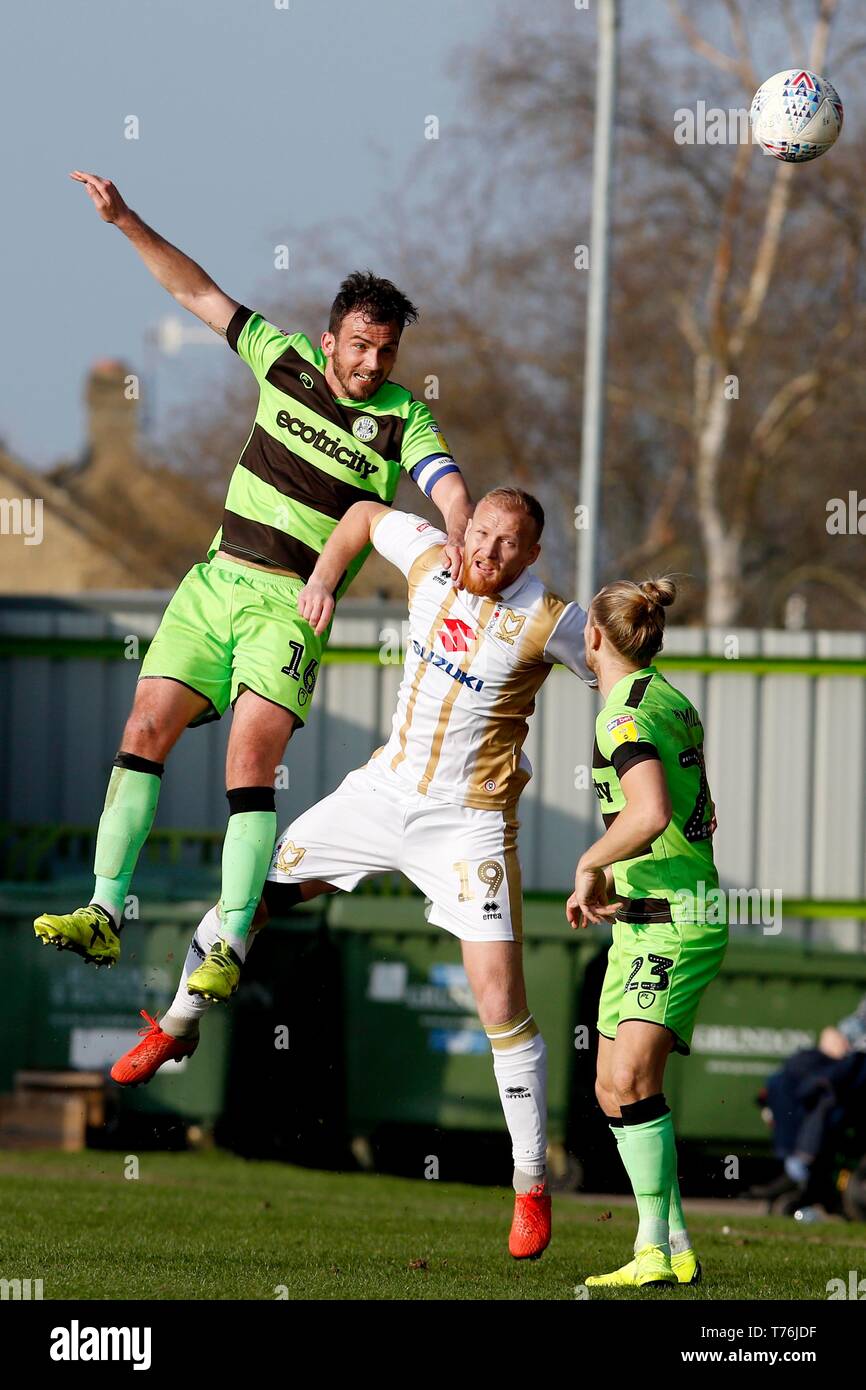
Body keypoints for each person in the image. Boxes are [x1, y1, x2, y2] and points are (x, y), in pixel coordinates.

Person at [111, 487, 595, 1258]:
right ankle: (175, 1029)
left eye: (511, 547)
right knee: (246, 904)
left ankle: (531, 1185)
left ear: (532, 557)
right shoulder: (434, 557)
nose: (490, 553)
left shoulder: (549, 618)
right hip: (380, 794)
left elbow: (618, 660)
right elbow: (366, 515)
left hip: (466, 822)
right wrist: (325, 579)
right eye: (486, 536)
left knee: (501, 999)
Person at [34, 171, 472, 989]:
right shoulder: (284, 360)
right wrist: (126, 219)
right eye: (361, 345)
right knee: (143, 730)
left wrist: (463, 530)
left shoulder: (402, 417)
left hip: (292, 603)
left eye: (387, 351)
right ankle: (102, 912)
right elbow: (197, 290)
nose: (373, 363)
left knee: (249, 759)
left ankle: (231, 943)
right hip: (213, 582)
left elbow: (444, 482)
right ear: (332, 336)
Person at [567, 577, 725, 1289]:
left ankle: (652, 1252)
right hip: (640, 921)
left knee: (631, 1080)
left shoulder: (621, 715)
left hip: (673, 920)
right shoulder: (668, 697)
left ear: (595, 638)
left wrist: (589, 862)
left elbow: (651, 812)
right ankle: (677, 1242)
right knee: (610, 1087)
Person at [752, 994, 866, 1214]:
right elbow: (855, 1022)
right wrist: (835, 1035)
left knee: (828, 1091)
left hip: (859, 1061)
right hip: (846, 1051)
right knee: (784, 1078)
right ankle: (790, 1161)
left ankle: (799, 1167)